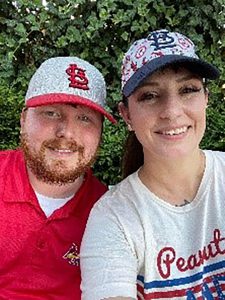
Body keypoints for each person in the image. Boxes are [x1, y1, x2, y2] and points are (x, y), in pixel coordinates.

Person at [80, 29, 224, 300]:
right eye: (149, 96)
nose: (172, 111)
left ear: (206, 98)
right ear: (127, 115)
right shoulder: (113, 218)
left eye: (188, 90)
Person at [0, 56, 116, 299]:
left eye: (85, 118)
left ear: (100, 134)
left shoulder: (111, 213)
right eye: (51, 113)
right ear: (23, 120)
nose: (66, 132)